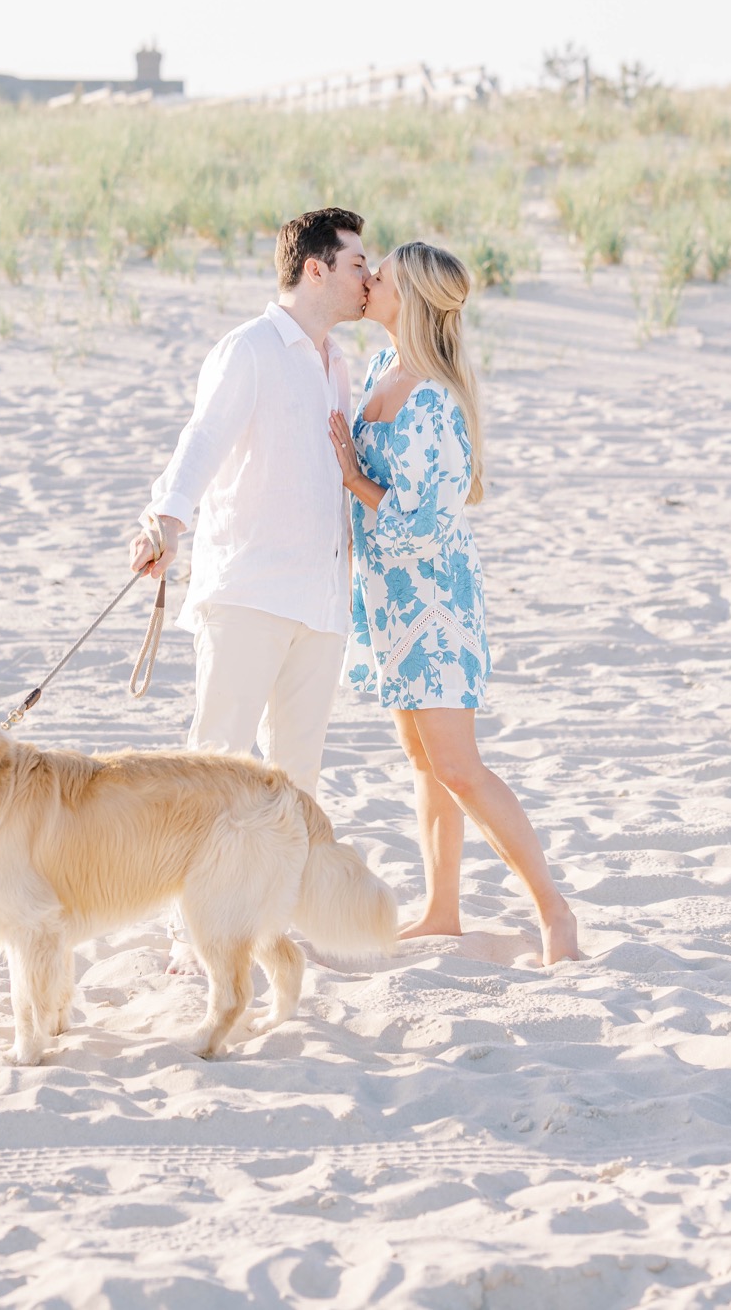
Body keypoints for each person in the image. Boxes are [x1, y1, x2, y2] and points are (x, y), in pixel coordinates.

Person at [328, 241, 580, 967]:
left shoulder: (432, 399)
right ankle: (442, 910)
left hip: (434, 603)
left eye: (383, 277)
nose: (369, 281)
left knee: (459, 765)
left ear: (409, 298)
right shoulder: (383, 369)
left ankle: (553, 912)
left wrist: (354, 480)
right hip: (389, 599)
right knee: (423, 760)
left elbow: (421, 520)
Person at [130, 206, 369, 809]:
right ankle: (191, 909)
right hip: (249, 593)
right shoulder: (250, 348)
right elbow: (202, 439)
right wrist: (167, 521)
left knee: (297, 784)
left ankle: (274, 906)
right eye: (358, 263)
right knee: (215, 768)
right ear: (316, 270)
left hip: (321, 603)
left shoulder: (338, 362)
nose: (369, 278)